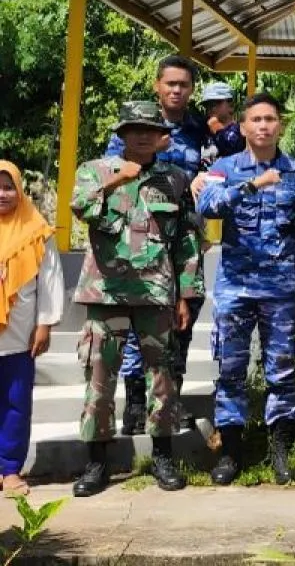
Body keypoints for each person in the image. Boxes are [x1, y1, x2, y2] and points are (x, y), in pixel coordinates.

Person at [70, 101, 202, 497]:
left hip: (157, 293)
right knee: (99, 377)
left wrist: (185, 294)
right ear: (123, 134)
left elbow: (186, 241)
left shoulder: (175, 179)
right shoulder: (95, 170)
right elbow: (81, 207)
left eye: (150, 129)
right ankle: (96, 463)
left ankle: (163, 457)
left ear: (161, 136)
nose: (142, 135)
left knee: (162, 378)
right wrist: (116, 180)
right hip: (106, 292)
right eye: (134, 129)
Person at [196, 93, 295, 486]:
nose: (264, 126)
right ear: (243, 126)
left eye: (270, 119)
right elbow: (208, 206)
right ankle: (231, 451)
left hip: (280, 288)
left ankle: (280, 450)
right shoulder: (224, 168)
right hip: (236, 287)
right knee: (231, 368)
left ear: (280, 125)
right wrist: (250, 185)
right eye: (256, 119)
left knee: (282, 369)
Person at [104, 54, 207, 437]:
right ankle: (135, 405)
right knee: (138, 327)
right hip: (137, 241)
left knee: (182, 322)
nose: (176, 90)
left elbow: (217, 168)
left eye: (183, 84)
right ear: (157, 85)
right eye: (170, 83)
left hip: (184, 238)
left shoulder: (201, 129)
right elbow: (113, 174)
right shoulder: (133, 125)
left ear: (192, 89)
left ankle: (170, 400)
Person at [0, 162, 63, 496]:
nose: (2, 194)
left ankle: (10, 469)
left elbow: (50, 280)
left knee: (16, 404)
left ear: (20, 190)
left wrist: (45, 324)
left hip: (20, 335)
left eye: (8, 187)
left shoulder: (36, 230)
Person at [199, 82, 246, 166]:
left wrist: (218, 129)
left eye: (215, 103)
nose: (210, 108)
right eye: (207, 105)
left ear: (231, 105)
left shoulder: (239, 131)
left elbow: (232, 149)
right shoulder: (204, 127)